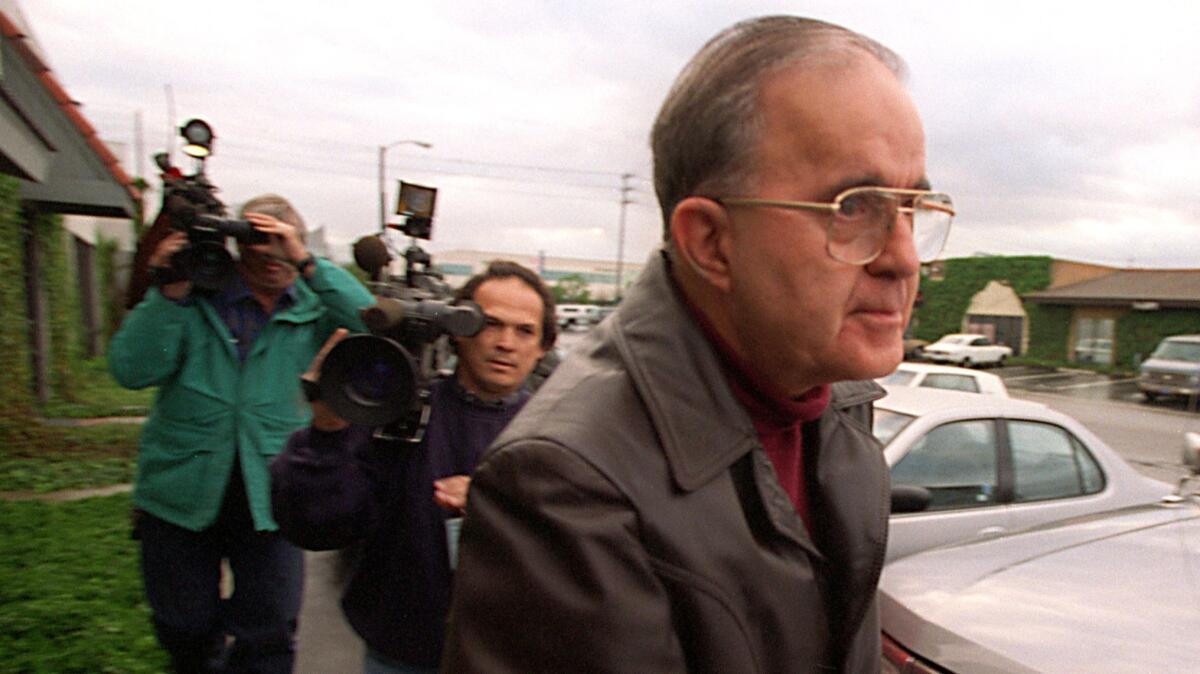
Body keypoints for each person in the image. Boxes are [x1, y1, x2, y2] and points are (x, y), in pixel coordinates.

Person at [441, 15, 955, 673]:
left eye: (911, 207)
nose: (905, 259)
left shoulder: (833, 400)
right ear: (711, 243)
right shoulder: (566, 483)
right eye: (855, 208)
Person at [109, 193, 374, 673]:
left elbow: (370, 321)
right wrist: (166, 290)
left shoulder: (313, 307)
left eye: (281, 246)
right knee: (184, 627)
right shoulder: (195, 298)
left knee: (269, 629)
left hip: (271, 493)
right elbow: (130, 369)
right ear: (237, 248)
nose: (271, 257)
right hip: (180, 490)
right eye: (260, 244)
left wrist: (308, 262)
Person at [269, 260, 556, 673]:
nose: (506, 343)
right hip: (402, 653)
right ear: (458, 331)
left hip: (509, 655)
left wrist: (492, 503)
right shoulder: (401, 415)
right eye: (489, 324)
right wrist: (328, 430)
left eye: (524, 330)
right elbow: (318, 525)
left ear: (544, 346)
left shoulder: (557, 432)